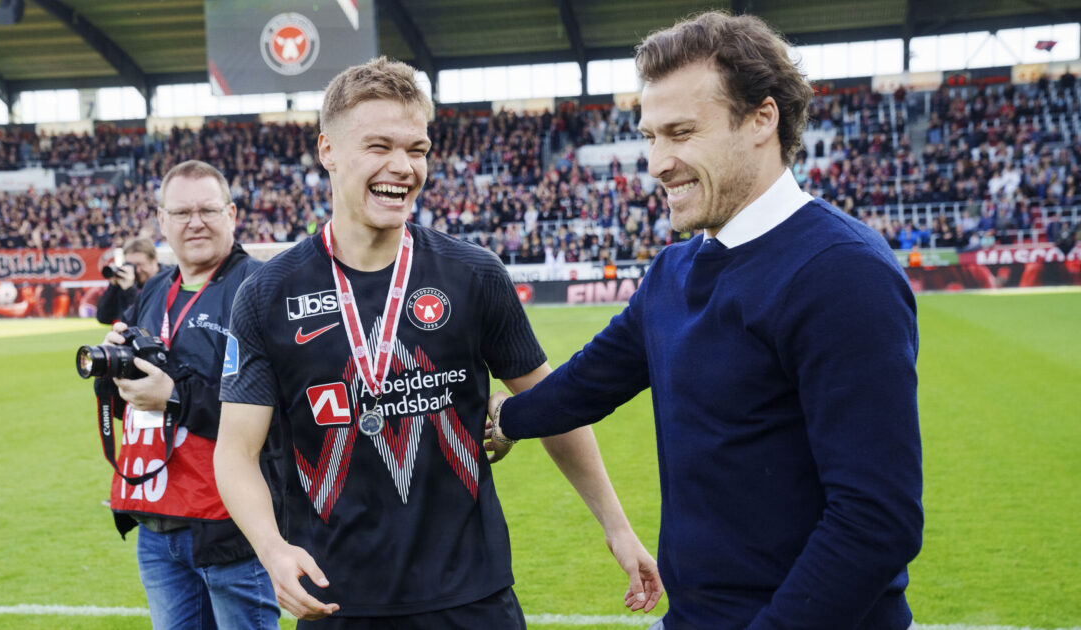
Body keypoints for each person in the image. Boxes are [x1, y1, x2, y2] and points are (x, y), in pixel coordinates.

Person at [488, 12, 923, 630]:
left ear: (761, 121)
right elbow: (590, 382)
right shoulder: (676, 270)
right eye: (650, 136)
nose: (659, 162)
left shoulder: (841, 273)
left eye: (682, 132)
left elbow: (877, 520)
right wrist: (504, 420)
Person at [215, 57, 661, 627]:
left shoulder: (474, 275)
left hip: (472, 597)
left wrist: (617, 528)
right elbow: (235, 452)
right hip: (336, 600)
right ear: (327, 150)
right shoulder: (267, 292)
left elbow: (557, 407)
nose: (402, 167)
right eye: (379, 146)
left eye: (418, 149)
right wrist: (270, 547)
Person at [94, 159, 280, 629]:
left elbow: (277, 412)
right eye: (180, 213)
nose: (194, 222)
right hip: (157, 523)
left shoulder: (259, 287)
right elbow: (128, 400)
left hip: (230, 523)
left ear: (232, 214)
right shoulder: (155, 288)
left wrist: (175, 395)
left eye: (207, 210)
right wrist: (115, 371)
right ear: (162, 221)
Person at [95, 236, 164, 325]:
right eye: (131, 264)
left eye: (140, 264)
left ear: (154, 261)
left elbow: (150, 320)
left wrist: (130, 290)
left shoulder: (168, 281)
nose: (136, 270)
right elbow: (103, 318)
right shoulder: (126, 283)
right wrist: (113, 286)